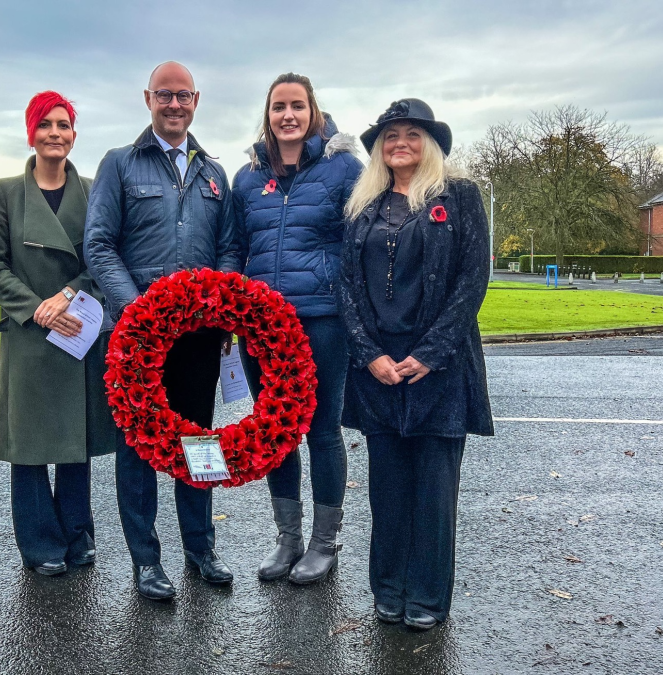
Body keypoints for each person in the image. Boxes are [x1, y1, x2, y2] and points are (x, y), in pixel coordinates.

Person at [84, 62, 239, 601]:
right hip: (138, 338)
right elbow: (99, 245)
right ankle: (146, 560)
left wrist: (223, 307)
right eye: (164, 96)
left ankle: (201, 547)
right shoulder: (120, 164)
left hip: (199, 337)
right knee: (141, 446)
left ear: (196, 100)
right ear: (147, 98)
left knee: (199, 440)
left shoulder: (214, 172)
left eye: (183, 96)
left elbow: (229, 249)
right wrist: (138, 313)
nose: (174, 105)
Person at [338, 99, 494, 630]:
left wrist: (428, 355)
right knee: (387, 489)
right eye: (389, 135)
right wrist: (369, 354)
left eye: (411, 133)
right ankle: (388, 587)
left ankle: (427, 596)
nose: (399, 142)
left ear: (430, 143)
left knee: (433, 493)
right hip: (378, 369)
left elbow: (472, 282)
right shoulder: (364, 206)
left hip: (439, 370)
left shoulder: (461, 197)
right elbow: (346, 286)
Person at [231, 73, 363, 584]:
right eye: (278, 107)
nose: (288, 115)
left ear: (313, 112)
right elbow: (236, 249)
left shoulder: (344, 169)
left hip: (322, 321)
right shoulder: (247, 178)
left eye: (297, 106)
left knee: (322, 430)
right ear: (267, 115)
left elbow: (359, 245)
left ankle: (324, 543)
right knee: (275, 430)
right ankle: (287, 538)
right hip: (261, 327)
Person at [0, 91, 114, 576]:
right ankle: (40, 544)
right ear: (31, 133)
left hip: (78, 329)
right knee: (31, 446)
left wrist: (70, 295)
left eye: (64, 125)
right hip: (30, 335)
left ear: (74, 134)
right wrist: (37, 309)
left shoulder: (96, 190)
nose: (55, 134)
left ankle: (79, 535)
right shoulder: (3, 192)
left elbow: (103, 256)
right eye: (46, 125)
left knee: (75, 442)